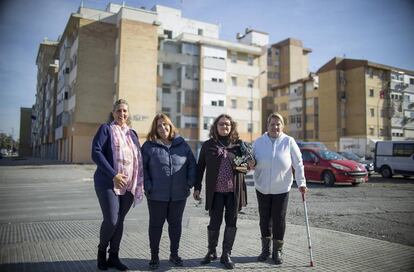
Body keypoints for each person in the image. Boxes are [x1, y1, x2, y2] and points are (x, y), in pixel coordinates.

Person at [91, 99, 144, 271]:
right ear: (113, 112)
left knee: (120, 220)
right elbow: (96, 152)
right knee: (112, 220)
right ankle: (101, 252)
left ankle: (114, 257)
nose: (122, 114)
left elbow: (139, 157)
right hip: (107, 182)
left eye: (125, 111)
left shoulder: (132, 134)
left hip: (128, 184)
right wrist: (114, 174)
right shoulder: (106, 129)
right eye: (119, 111)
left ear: (128, 114)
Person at [249, 112, 307, 265]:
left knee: (279, 220)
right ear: (267, 126)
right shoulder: (259, 142)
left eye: (278, 124)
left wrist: (301, 183)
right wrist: (249, 165)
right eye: (272, 124)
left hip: (282, 188)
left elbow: (298, 163)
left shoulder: (289, 141)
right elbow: (250, 162)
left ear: (282, 126)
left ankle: (277, 251)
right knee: (264, 220)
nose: (275, 126)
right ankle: (265, 250)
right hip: (262, 188)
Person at [142, 113, 197, 270]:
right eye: (159, 125)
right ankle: (154, 257)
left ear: (170, 126)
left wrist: (189, 183)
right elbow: (142, 168)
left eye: (165, 124)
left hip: (179, 195)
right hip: (156, 195)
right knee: (155, 226)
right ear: (155, 129)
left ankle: (174, 254)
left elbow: (192, 165)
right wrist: (148, 185)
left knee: (175, 226)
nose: (162, 128)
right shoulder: (148, 146)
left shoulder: (182, 144)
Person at [193, 114, 248, 270]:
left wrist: (245, 162)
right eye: (222, 124)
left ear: (232, 127)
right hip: (215, 193)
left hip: (233, 193)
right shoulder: (208, 145)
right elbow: (200, 168)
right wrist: (197, 187)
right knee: (214, 223)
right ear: (216, 127)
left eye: (228, 125)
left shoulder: (238, 146)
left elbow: (244, 169)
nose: (225, 127)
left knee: (231, 223)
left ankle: (226, 254)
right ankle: (211, 252)